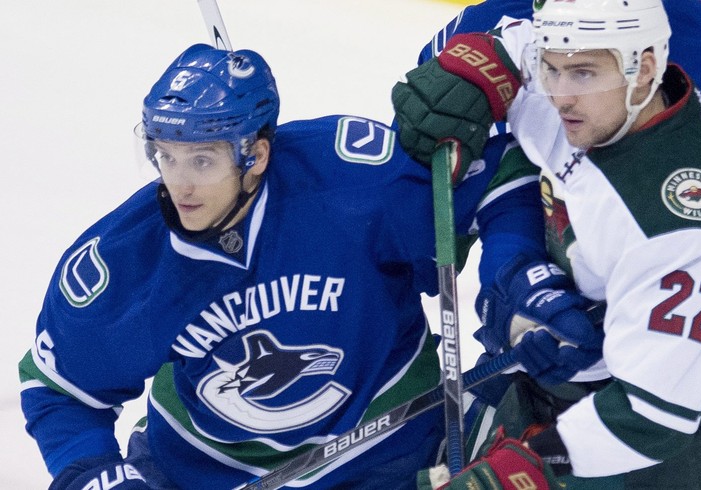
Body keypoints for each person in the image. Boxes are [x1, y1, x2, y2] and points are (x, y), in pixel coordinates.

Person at [18, 43, 547, 489]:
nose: (180, 185)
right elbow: (59, 390)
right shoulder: (125, 261)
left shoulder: (353, 185)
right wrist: (95, 477)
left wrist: (518, 287)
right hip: (203, 471)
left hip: (397, 447)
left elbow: (500, 179)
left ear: (258, 156)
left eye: (202, 161)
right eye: (167, 156)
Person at [410, 0, 701, 488]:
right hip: (550, 354)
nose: (560, 94)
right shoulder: (521, 42)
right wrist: (519, 284)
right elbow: (506, 166)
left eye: (582, 73)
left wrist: (670, 300)